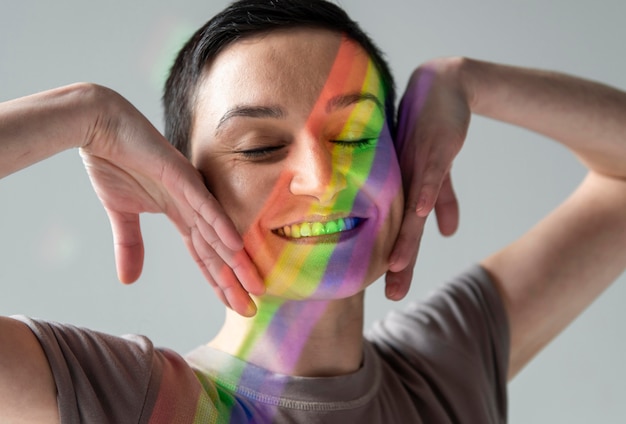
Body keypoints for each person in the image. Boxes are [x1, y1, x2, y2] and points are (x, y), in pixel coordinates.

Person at [1, 0, 625, 422]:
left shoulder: (448, 366)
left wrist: (467, 81)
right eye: (262, 148)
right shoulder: (126, 398)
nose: (324, 179)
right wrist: (82, 114)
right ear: (183, 186)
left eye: (355, 135)